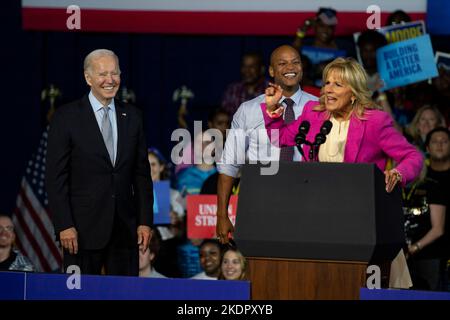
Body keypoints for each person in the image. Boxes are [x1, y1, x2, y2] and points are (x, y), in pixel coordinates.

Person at [45, 49, 153, 276]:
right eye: (103, 74)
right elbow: (56, 178)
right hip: (80, 231)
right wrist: (64, 225)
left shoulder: (133, 116)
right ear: (88, 78)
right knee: (80, 295)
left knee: (125, 295)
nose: (110, 80)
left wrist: (144, 221)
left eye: (115, 73)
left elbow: (141, 175)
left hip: (124, 230)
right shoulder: (66, 117)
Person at [262, 57, 423, 190]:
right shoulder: (313, 113)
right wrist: (272, 109)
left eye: (337, 84)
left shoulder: (374, 122)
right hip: (316, 200)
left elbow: (413, 156)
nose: (328, 90)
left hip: (358, 204)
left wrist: (398, 173)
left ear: (354, 94)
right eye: (327, 83)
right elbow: (280, 138)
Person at [216, 45, 318, 244]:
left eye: (295, 62)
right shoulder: (248, 110)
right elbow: (229, 165)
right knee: (259, 271)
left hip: (306, 205)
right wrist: (221, 215)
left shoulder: (319, 108)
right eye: (282, 63)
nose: (291, 67)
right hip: (259, 204)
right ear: (271, 71)